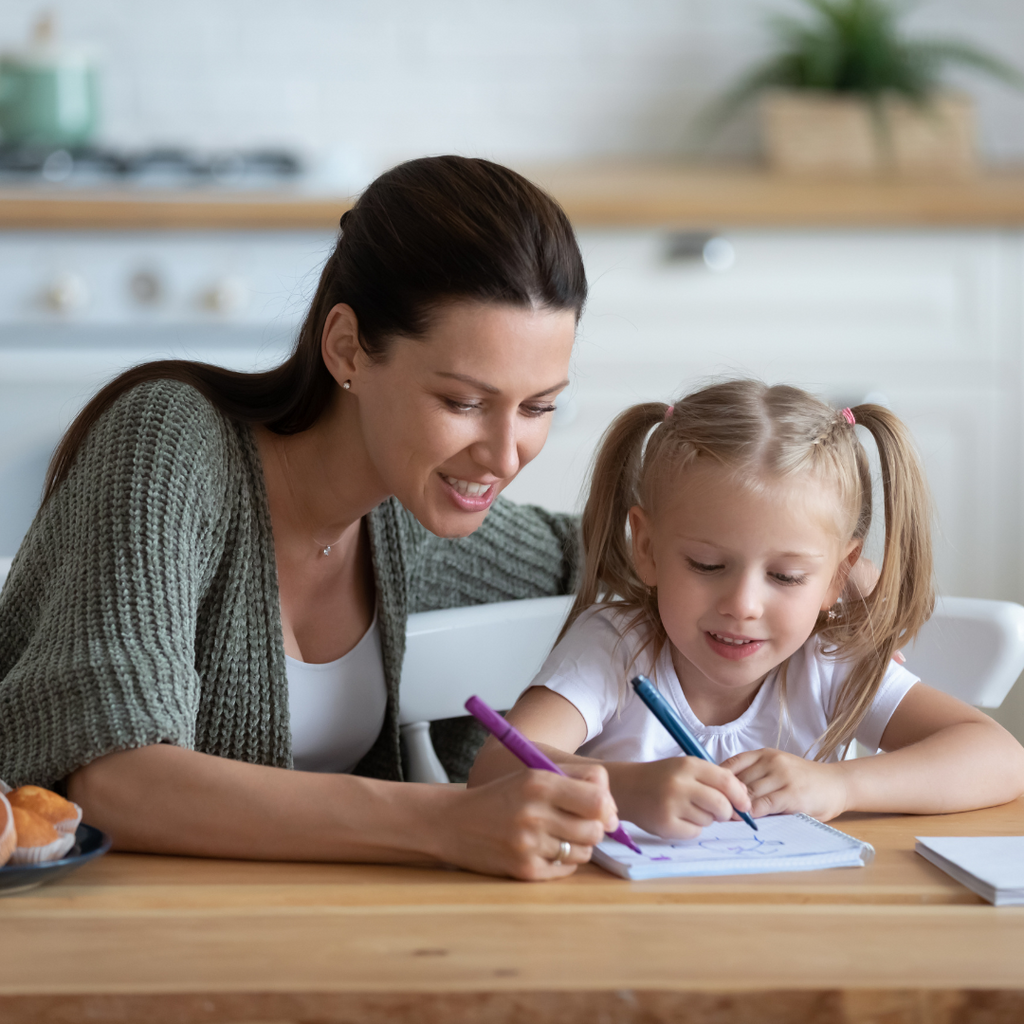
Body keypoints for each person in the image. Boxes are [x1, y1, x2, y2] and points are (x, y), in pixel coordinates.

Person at [0, 155, 621, 880]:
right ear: (346, 347)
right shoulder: (168, 444)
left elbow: (619, 554)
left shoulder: (410, 518)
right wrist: (448, 820)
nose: (506, 453)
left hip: (303, 937)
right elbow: (118, 782)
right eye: (462, 403)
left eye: (539, 407)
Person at [469, 380, 1024, 837]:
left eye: (786, 576)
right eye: (708, 566)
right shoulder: (617, 648)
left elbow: (1001, 759)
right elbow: (495, 768)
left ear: (835, 575)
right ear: (647, 548)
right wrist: (625, 788)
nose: (742, 605)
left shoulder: (827, 664)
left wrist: (840, 786)